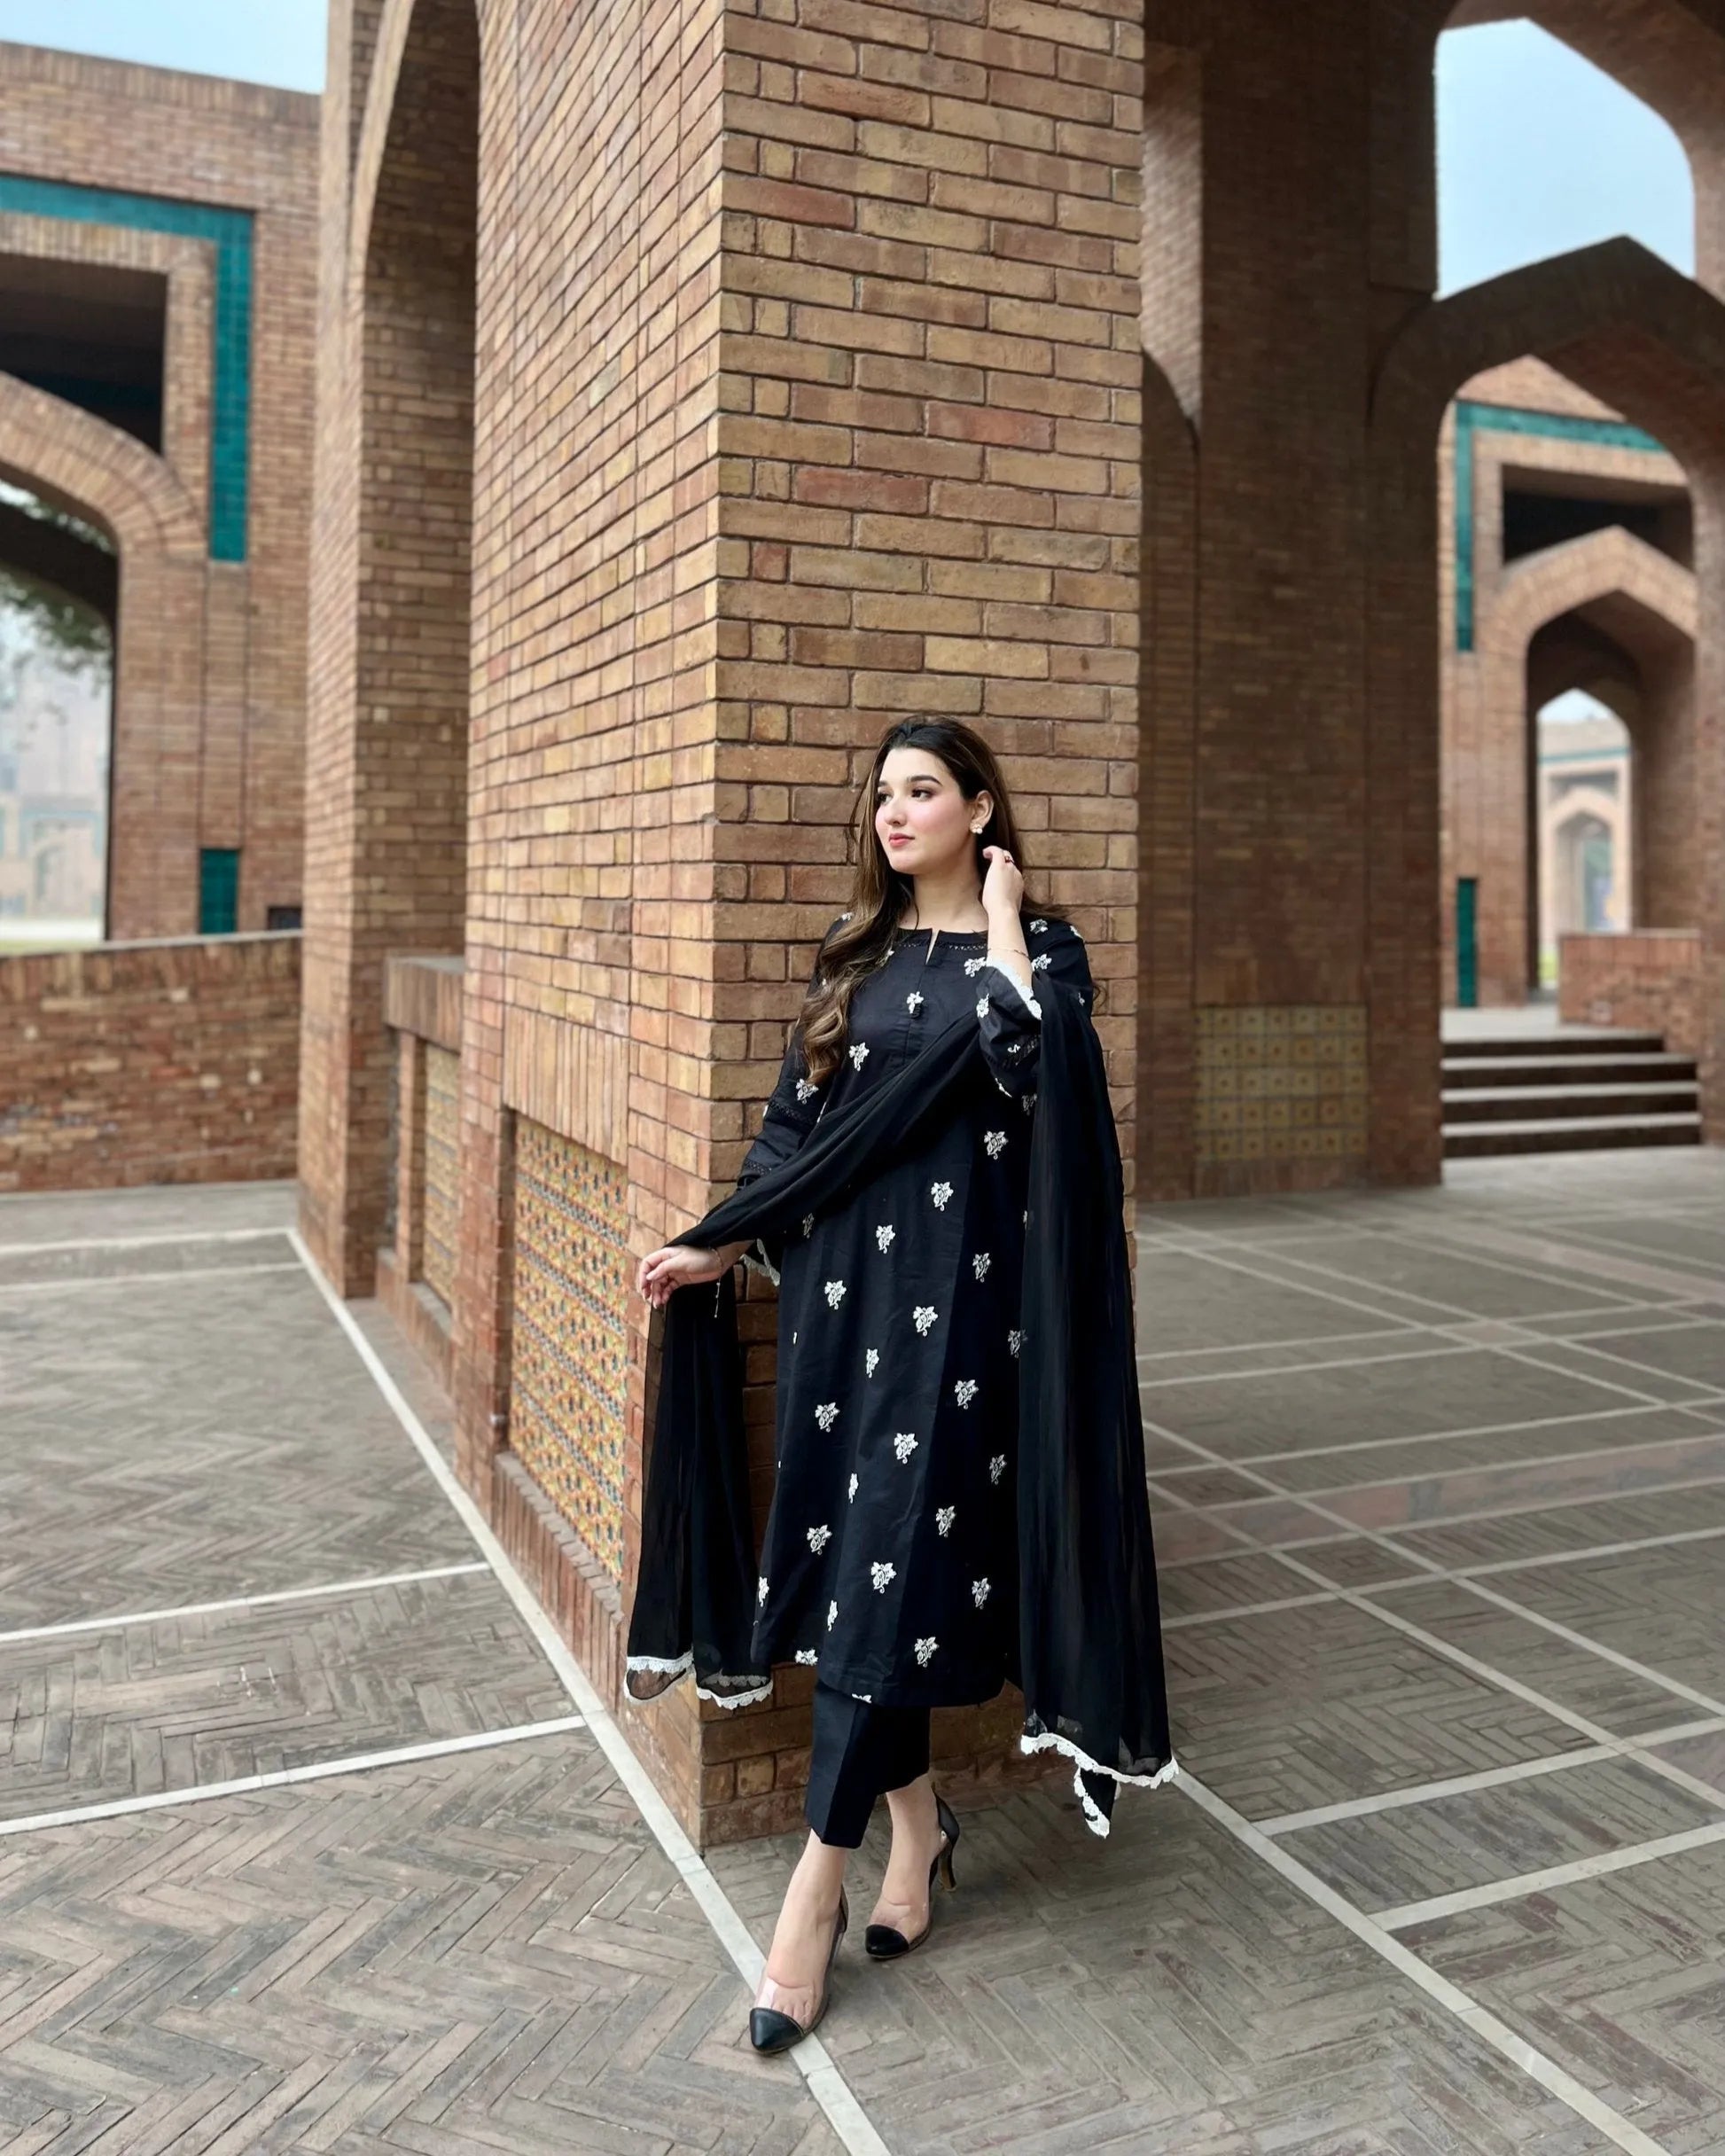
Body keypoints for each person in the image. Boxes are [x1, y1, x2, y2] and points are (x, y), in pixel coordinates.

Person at [628, 717, 1175, 2055]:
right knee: (864, 1577)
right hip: (843, 1312)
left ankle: (811, 1895)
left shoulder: (1044, 953)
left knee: (888, 1573)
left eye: (923, 791)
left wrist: (1002, 920)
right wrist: (719, 1241)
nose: (894, 812)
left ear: (979, 810)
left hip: (965, 1327)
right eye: (883, 793)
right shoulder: (855, 954)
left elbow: (1029, 1068)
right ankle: (918, 1830)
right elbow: (796, 1124)